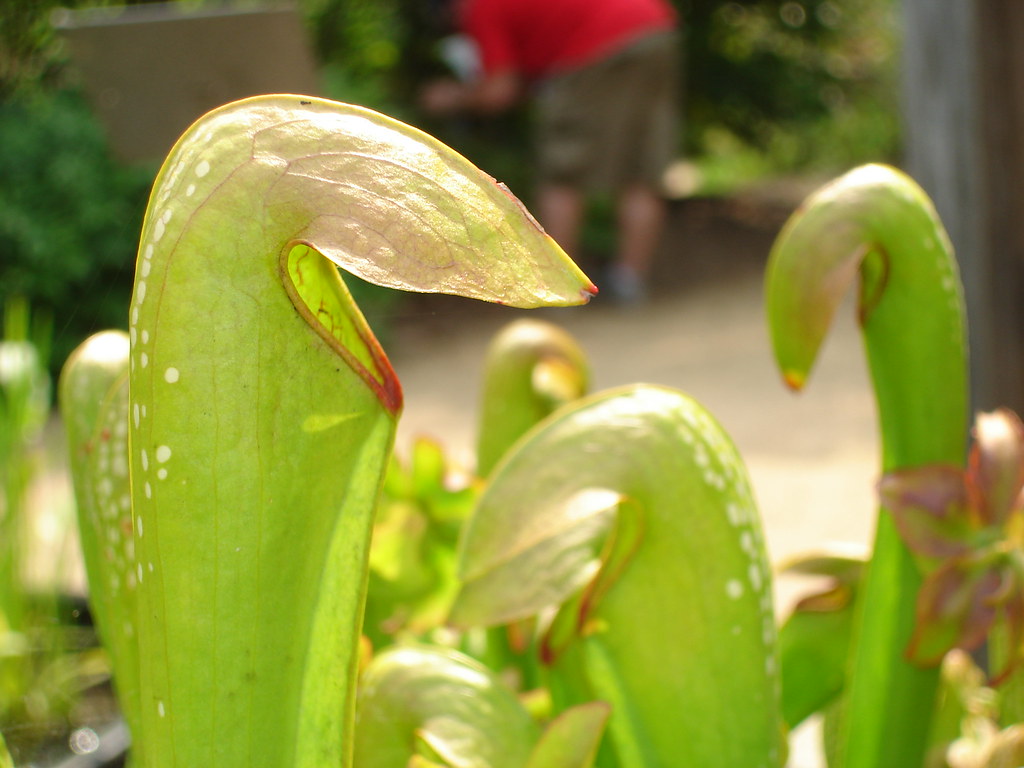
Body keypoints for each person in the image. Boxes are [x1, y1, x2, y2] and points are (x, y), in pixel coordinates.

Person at [420, 0, 681, 303]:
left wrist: (452, 98)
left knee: (563, 174)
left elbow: (499, 91)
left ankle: (558, 291)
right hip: (654, 25)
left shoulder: (478, 7)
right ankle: (629, 282)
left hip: (596, 45)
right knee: (640, 168)